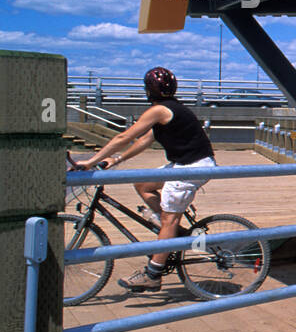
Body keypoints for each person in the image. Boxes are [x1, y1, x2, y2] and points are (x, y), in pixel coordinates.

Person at [75, 67, 216, 292]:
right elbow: (143, 141)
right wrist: (117, 159)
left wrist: (91, 162)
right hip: (186, 164)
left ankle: (153, 274)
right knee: (143, 184)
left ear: (148, 90)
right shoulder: (171, 109)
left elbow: (124, 136)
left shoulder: (160, 110)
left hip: (192, 167)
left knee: (168, 221)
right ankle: (171, 233)